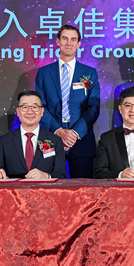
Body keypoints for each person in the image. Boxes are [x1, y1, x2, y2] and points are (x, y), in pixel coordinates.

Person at [35, 24, 100, 178]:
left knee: (83, 188)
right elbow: (40, 106)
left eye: (73, 39)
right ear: (58, 42)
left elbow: (93, 107)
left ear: (78, 44)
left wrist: (74, 133)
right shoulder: (44, 73)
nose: (69, 43)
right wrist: (59, 131)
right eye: (64, 39)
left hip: (81, 140)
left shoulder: (89, 73)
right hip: (51, 138)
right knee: (49, 187)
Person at [0, 90, 66, 179]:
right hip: (15, 188)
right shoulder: (5, 141)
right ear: (18, 111)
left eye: (35, 107)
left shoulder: (55, 140)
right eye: (25, 107)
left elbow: (62, 175)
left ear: (42, 111)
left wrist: (47, 176)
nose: (30, 112)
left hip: (45, 187)